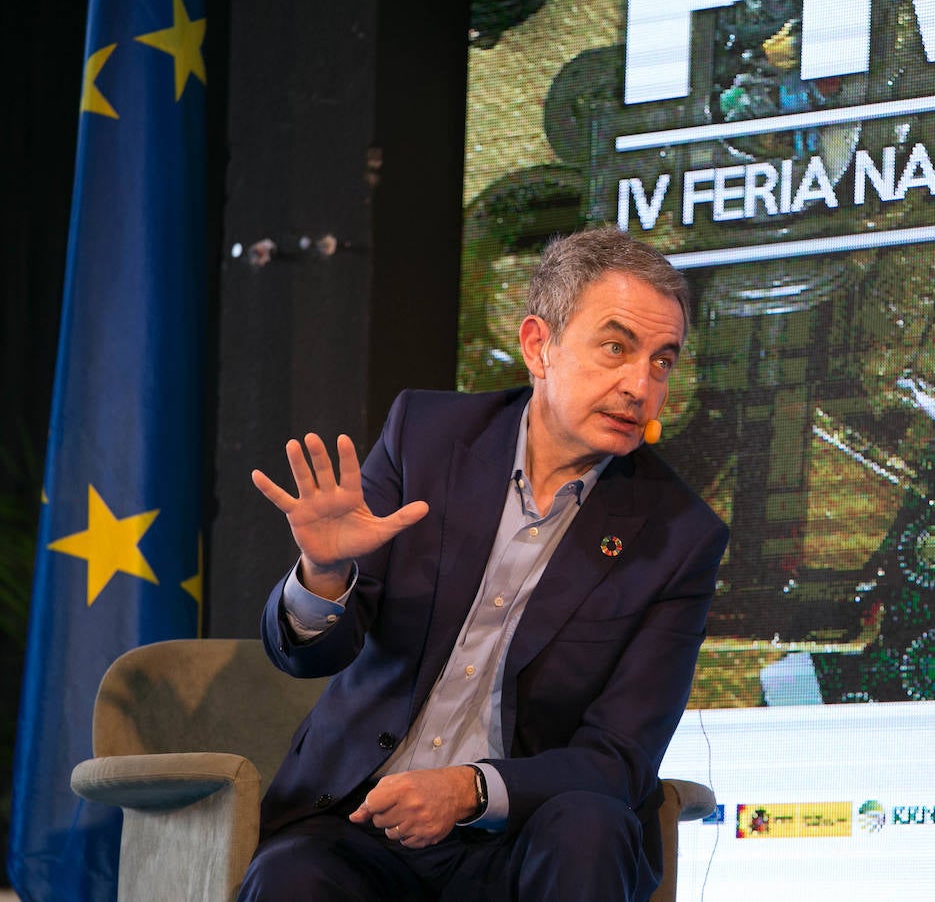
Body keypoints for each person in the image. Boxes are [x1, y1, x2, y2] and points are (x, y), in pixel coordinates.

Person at [238, 226, 729, 901]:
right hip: (359, 822)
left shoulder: (678, 536)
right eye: (616, 348)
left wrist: (471, 791)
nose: (640, 385)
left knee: (591, 827)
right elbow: (308, 656)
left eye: (662, 361)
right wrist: (323, 575)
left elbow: (618, 760)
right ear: (538, 345)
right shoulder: (428, 437)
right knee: (291, 878)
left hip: (523, 838)